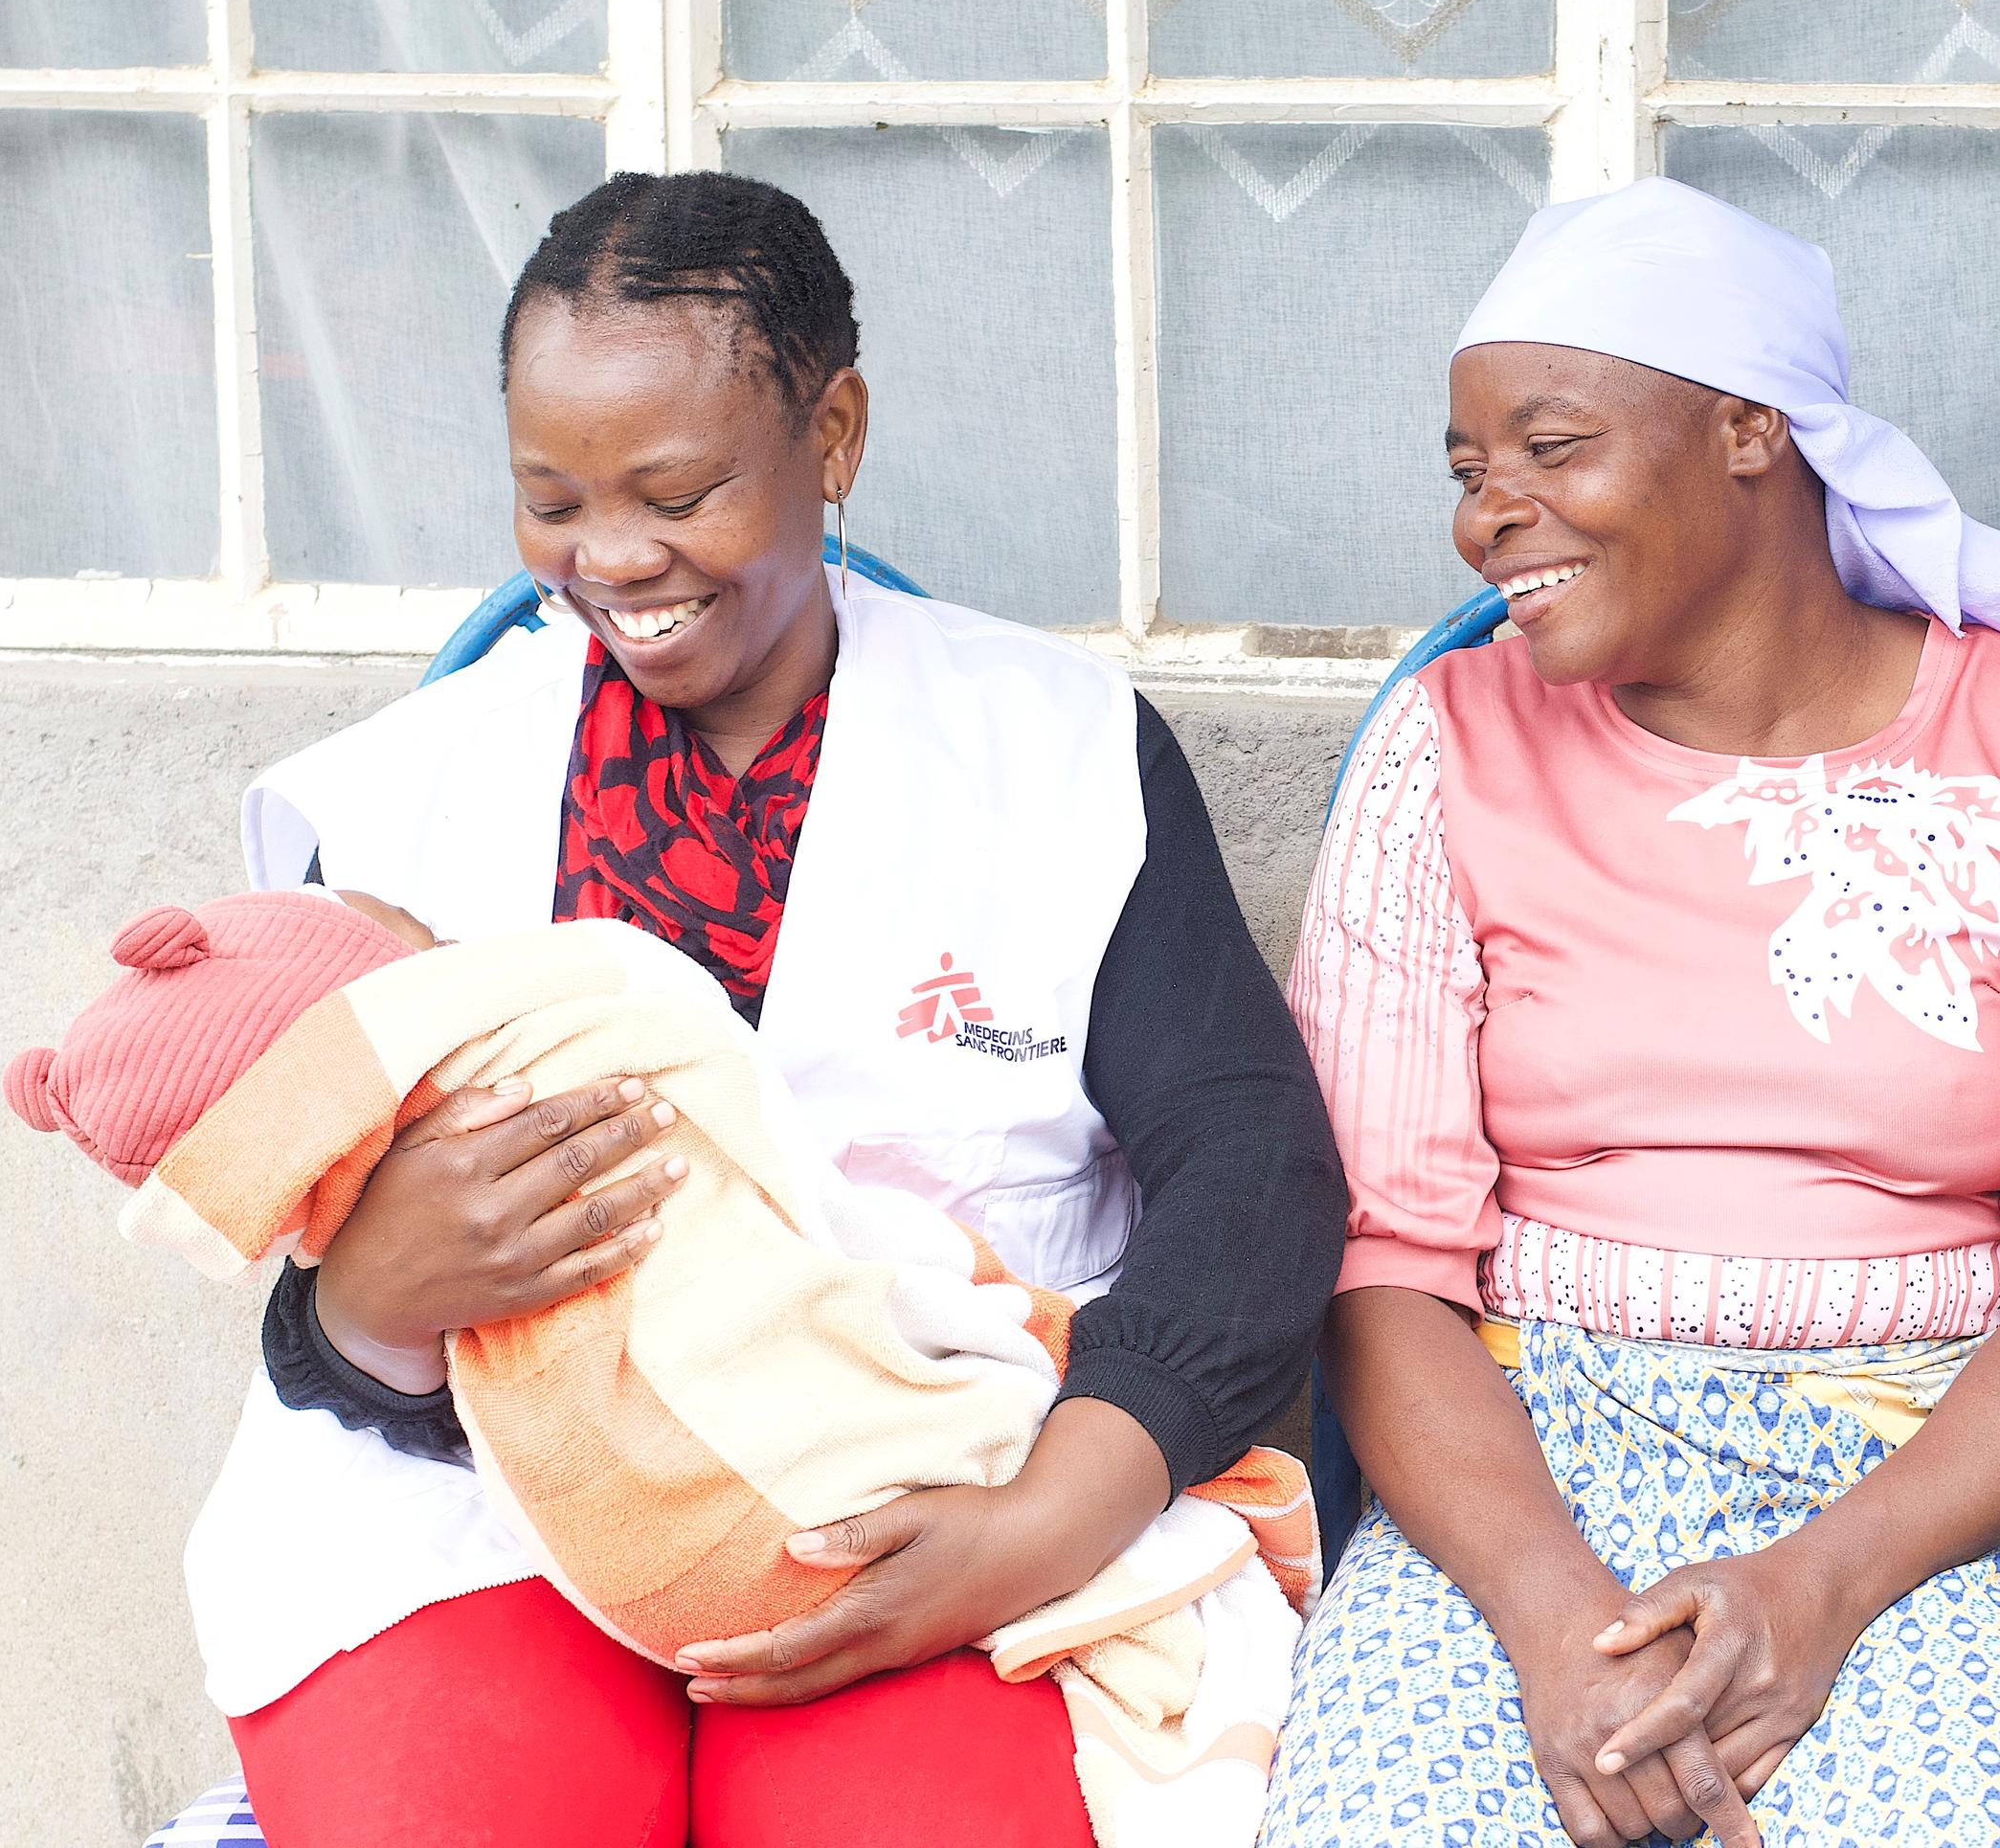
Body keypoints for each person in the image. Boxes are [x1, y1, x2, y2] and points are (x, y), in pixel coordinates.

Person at [168, 170, 1345, 1848]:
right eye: (551, 501)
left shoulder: (1056, 751)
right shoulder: (403, 800)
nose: (613, 558)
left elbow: (1254, 1178)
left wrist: (1055, 1513)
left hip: (935, 1493)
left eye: (680, 489)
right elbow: (299, 1256)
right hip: (483, 1514)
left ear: (834, 433)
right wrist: (369, 1304)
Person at [1260, 177, 2000, 1848]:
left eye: (1552, 451)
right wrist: (1555, 1621)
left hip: (1913, 1500)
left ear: (1752, 430)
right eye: (1472, 471)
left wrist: (1824, 1587)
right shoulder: (1446, 746)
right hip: (1511, 1489)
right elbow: (1382, 1260)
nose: (1493, 516)